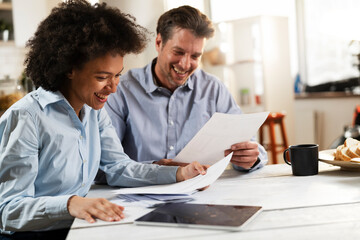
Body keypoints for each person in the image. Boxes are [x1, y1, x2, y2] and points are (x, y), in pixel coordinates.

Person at [0, 1, 207, 239]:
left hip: (78, 228)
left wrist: (179, 175)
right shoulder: (27, 117)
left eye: (117, 75)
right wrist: (70, 204)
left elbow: (119, 168)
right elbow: (8, 210)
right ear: (69, 69)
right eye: (102, 77)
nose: (113, 88)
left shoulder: (94, 112)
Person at [104, 5, 268, 171]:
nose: (185, 64)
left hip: (203, 192)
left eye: (195, 56)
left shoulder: (213, 89)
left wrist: (250, 158)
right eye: (178, 52)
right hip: (139, 193)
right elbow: (106, 162)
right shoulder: (122, 90)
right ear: (159, 43)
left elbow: (250, 145)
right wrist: (156, 170)